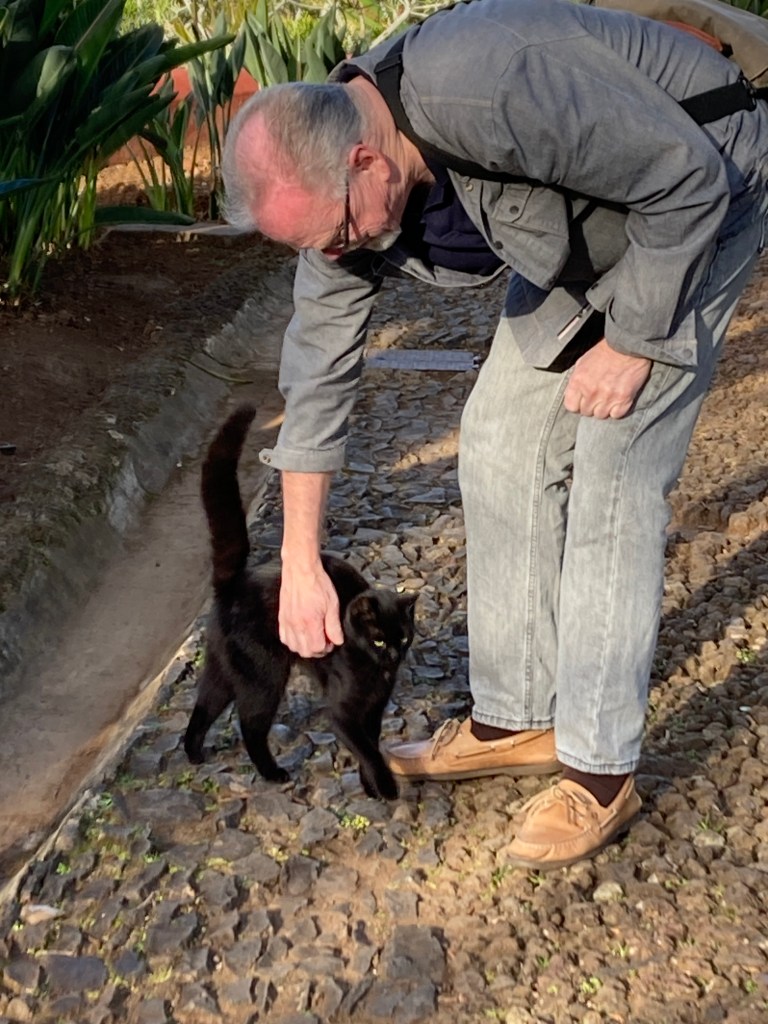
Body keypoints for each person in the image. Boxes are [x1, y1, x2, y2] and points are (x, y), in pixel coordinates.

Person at [221, 0, 768, 869]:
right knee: (500, 440)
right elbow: (317, 373)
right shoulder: (334, 190)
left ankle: (600, 771)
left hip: (700, 185)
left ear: (365, 160)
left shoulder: (486, 84)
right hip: (584, 228)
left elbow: (684, 176)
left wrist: (632, 341)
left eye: (341, 234)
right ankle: (517, 717)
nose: (337, 254)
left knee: (615, 469)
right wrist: (297, 561)